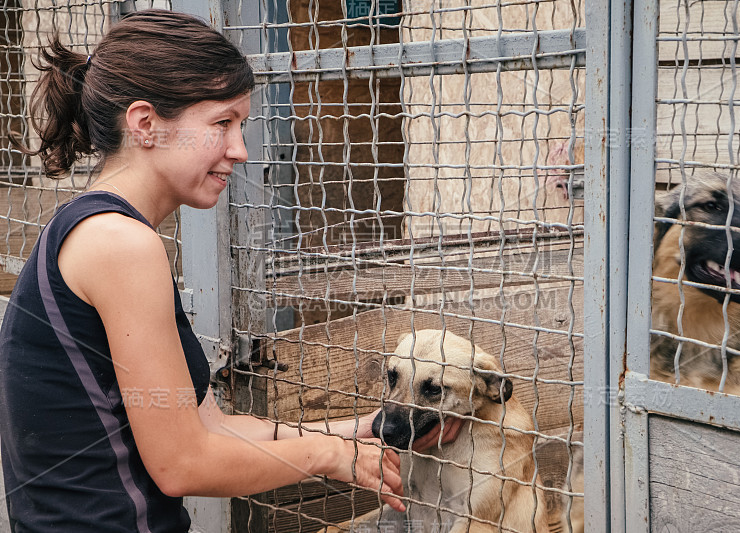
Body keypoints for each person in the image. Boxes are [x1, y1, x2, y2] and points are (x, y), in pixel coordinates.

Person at [0, 9, 463, 532]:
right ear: (145, 124)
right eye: (222, 123)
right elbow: (183, 463)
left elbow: (209, 428)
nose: (240, 150)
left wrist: (366, 430)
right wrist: (331, 457)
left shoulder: (96, 227)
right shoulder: (119, 243)